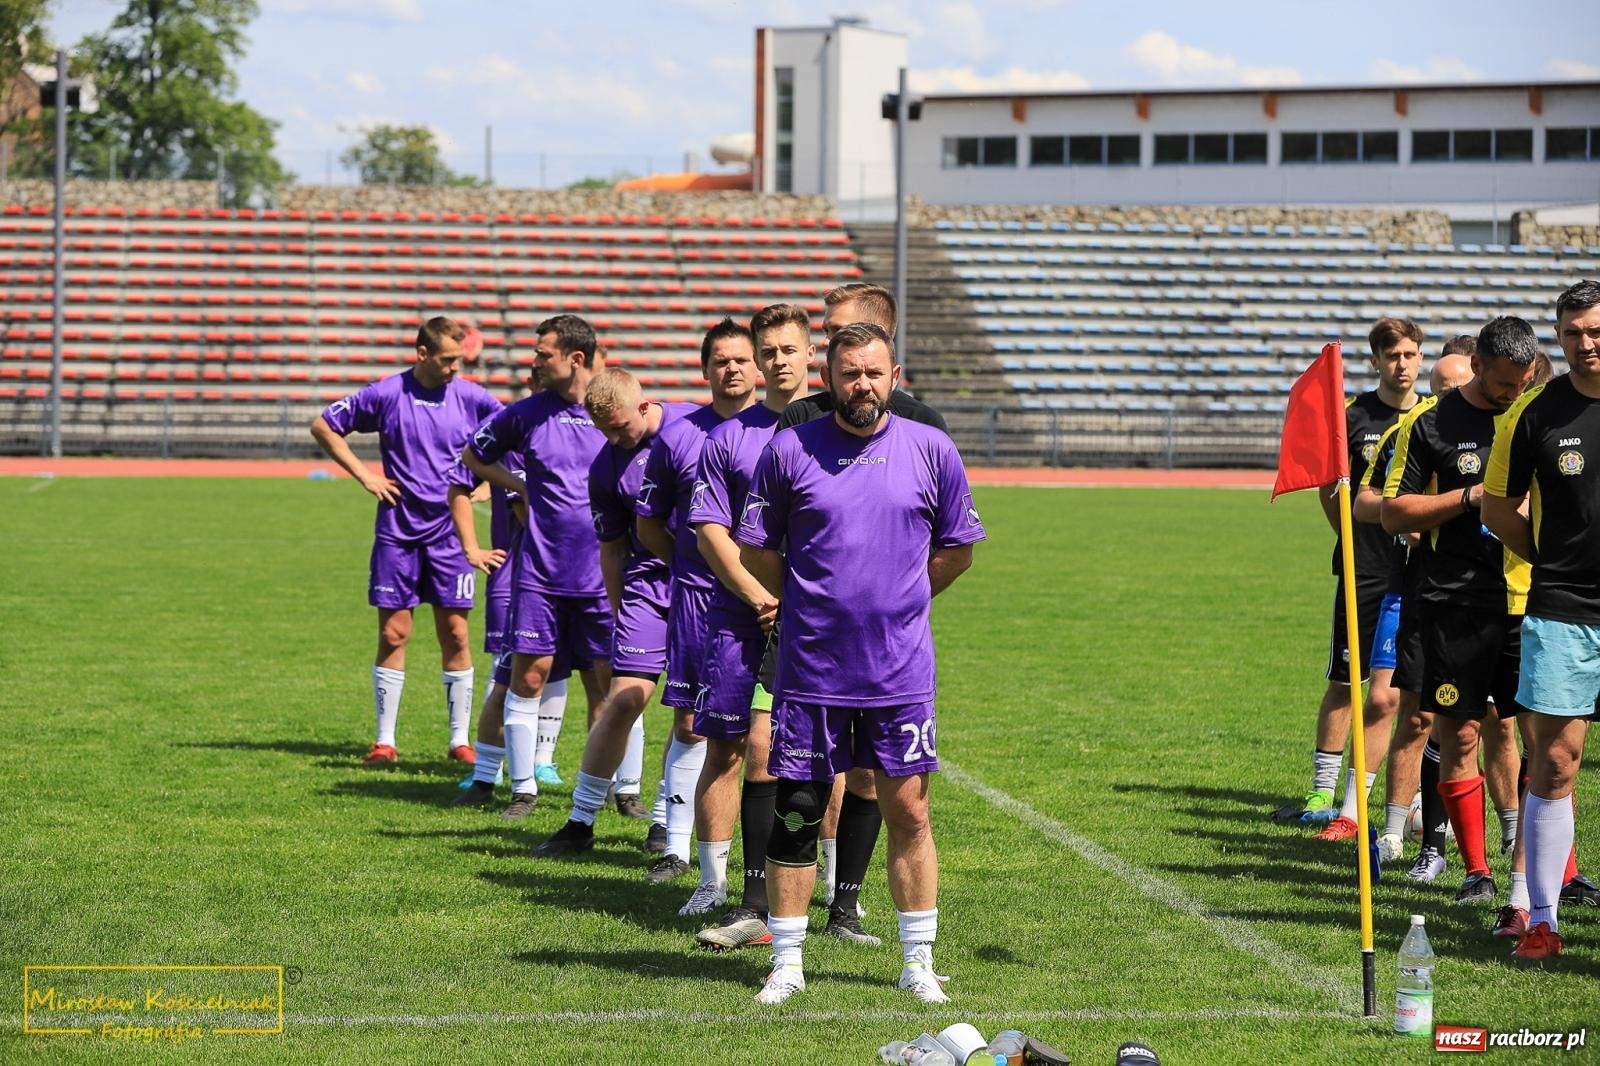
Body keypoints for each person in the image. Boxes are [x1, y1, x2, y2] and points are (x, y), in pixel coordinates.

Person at [737, 322, 984, 1005]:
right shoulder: (790, 450)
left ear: (894, 376)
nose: (862, 386)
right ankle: (786, 963)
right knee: (796, 811)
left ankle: (917, 963)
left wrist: (902, 598)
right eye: (849, 374)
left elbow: (958, 549)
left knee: (909, 809)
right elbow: (756, 546)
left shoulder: (931, 450)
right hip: (810, 670)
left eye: (874, 373)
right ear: (830, 379)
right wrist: (806, 598)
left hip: (898, 673)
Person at [1383, 316, 1539, 905]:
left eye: (1521, 382)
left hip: (1532, 601)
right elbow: (1395, 513)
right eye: (1503, 384)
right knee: (1461, 733)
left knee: (1545, 739)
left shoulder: (1539, 412)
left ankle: (1558, 871)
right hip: (1456, 603)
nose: (1511, 394)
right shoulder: (1430, 424)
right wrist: (1470, 498)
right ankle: (1476, 870)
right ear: (1477, 367)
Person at [309, 316, 503, 766]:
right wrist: (365, 475)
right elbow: (324, 426)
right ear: (422, 354)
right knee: (394, 633)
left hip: (452, 536)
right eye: (449, 360)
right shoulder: (386, 394)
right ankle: (385, 741)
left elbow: (512, 437)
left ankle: (459, 740)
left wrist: (490, 485)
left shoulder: (473, 398)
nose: (456, 368)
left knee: (455, 633)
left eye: (461, 361)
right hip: (397, 533)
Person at [530, 370, 701, 857]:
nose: (613, 438)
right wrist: (617, 605)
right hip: (646, 587)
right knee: (624, 699)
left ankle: (666, 825)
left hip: (705, 585)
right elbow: (612, 548)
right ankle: (580, 822)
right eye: (604, 430)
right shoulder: (605, 469)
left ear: (644, 405)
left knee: (689, 715)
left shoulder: (695, 425)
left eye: (620, 427)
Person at [685, 304, 812, 946]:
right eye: (769, 350)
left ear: (809, 353)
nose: (778, 360)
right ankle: (721, 888)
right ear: (758, 361)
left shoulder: (837, 428)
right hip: (742, 616)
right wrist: (763, 595)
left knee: (822, 760)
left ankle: (830, 903)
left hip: (819, 623)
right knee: (732, 749)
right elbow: (710, 530)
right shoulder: (728, 439)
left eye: (790, 348)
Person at [1484, 279, 1600, 959]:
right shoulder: (1531, 416)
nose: (1586, 344)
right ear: (1556, 338)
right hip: (1563, 610)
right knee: (1556, 761)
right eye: (1574, 333)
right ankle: (1543, 920)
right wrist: (1549, 556)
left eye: (1595, 330)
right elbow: (1498, 506)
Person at [461, 315, 614, 819]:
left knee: (606, 684)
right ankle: (522, 789)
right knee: (528, 678)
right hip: (541, 574)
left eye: (542, 352)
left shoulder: (613, 408)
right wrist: (520, 485)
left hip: (603, 576)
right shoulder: (524, 414)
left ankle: (607, 791)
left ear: (575, 358)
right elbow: (474, 457)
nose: (533, 359)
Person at [1274, 319, 1421, 826]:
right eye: (1391, 356)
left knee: (1406, 688)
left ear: (1419, 357)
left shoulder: (1430, 417)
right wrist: (1352, 540)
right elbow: (1328, 488)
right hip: (1365, 569)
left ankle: (1408, 802)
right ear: (1375, 361)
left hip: (1420, 571)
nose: (1401, 365)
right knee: (1346, 677)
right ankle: (1321, 794)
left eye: (1409, 354)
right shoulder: (1354, 418)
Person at [632, 320, 760, 882]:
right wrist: (696, 564)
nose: (731, 368)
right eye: (720, 361)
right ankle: (676, 849)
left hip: (770, 601)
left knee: (763, 733)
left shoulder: (789, 430)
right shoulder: (679, 436)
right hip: (700, 601)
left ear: (756, 367)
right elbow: (650, 525)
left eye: (740, 359)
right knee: (692, 724)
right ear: (705, 369)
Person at [1357, 344, 1474, 875]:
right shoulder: (1417, 428)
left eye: (1457, 388)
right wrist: (1415, 515)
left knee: (1487, 721)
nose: (1446, 398)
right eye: (1441, 388)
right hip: (1420, 584)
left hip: (1491, 591)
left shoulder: (1506, 429)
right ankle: (1396, 832)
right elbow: (1371, 501)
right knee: (1414, 712)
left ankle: (1492, 846)